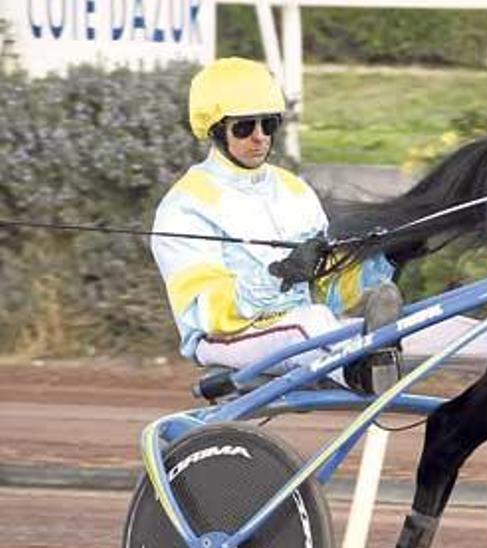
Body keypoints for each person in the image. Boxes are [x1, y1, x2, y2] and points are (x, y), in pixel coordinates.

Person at [150, 57, 400, 393]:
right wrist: (279, 274)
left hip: (305, 327)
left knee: (401, 318)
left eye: (268, 124)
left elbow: (329, 297)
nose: (259, 138)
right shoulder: (184, 205)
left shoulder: (294, 190)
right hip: (227, 338)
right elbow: (205, 313)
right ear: (215, 130)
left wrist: (385, 259)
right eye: (244, 127)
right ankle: (361, 374)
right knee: (308, 324)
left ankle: (371, 359)